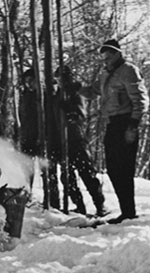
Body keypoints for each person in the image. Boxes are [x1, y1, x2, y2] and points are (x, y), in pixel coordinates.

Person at [82, 39, 149, 224]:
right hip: (112, 124)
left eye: (109, 56)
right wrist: (75, 88)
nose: (106, 60)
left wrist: (133, 126)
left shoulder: (128, 70)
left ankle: (129, 211)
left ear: (118, 54)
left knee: (124, 169)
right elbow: (94, 90)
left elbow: (141, 100)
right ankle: (126, 210)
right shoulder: (106, 74)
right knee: (113, 169)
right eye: (103, 57)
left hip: (126, 122)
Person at [53, 65, 107, 217]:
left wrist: (70, 111)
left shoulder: (76, 92)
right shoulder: (57, 94)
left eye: (62, 78)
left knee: (87, 174)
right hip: (63, 142)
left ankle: (99, 204)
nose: (60, 81)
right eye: (58, 79)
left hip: (77, 139)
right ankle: (79, 206)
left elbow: (80, 115)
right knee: (67, 178)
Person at [19, 68, 60, 209]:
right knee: (26, 170)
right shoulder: (26, 95)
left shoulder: (47, 95)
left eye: (31, 81)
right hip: (28, 137)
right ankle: (26, 196)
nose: (29, 84)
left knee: (49, 171)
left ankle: (53, 203)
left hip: (44, 138)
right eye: (27, 81)